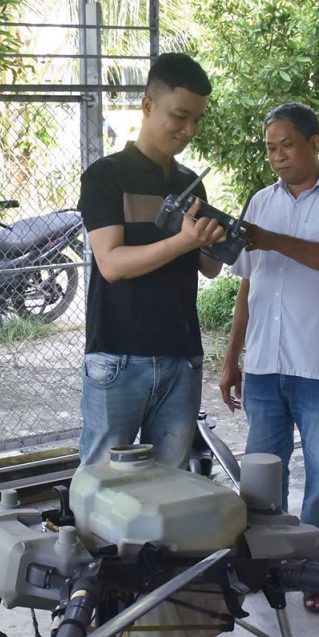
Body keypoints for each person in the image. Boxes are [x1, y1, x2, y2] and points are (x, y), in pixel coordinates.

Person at [220, 103, 319, 614]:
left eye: (287, 145)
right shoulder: (261, 201)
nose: (278, 157)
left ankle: (315, 569)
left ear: (314, 142)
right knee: (264, 476)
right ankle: (268, 566)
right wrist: (231, 358)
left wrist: (272, 240)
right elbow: (248, 282)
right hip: (263, 364)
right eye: (270, 148)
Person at [76, 53, 227, 469]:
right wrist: (182, 242)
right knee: (102, 483)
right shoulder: (106, 177)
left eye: (197, 119)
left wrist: (215, 241)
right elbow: (112, 264)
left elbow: (208, 268)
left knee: (169, 488)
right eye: (180, 116)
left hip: (181, 356)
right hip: (118, 357)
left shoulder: (189, 181)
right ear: (147, 106)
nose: (189, 130)